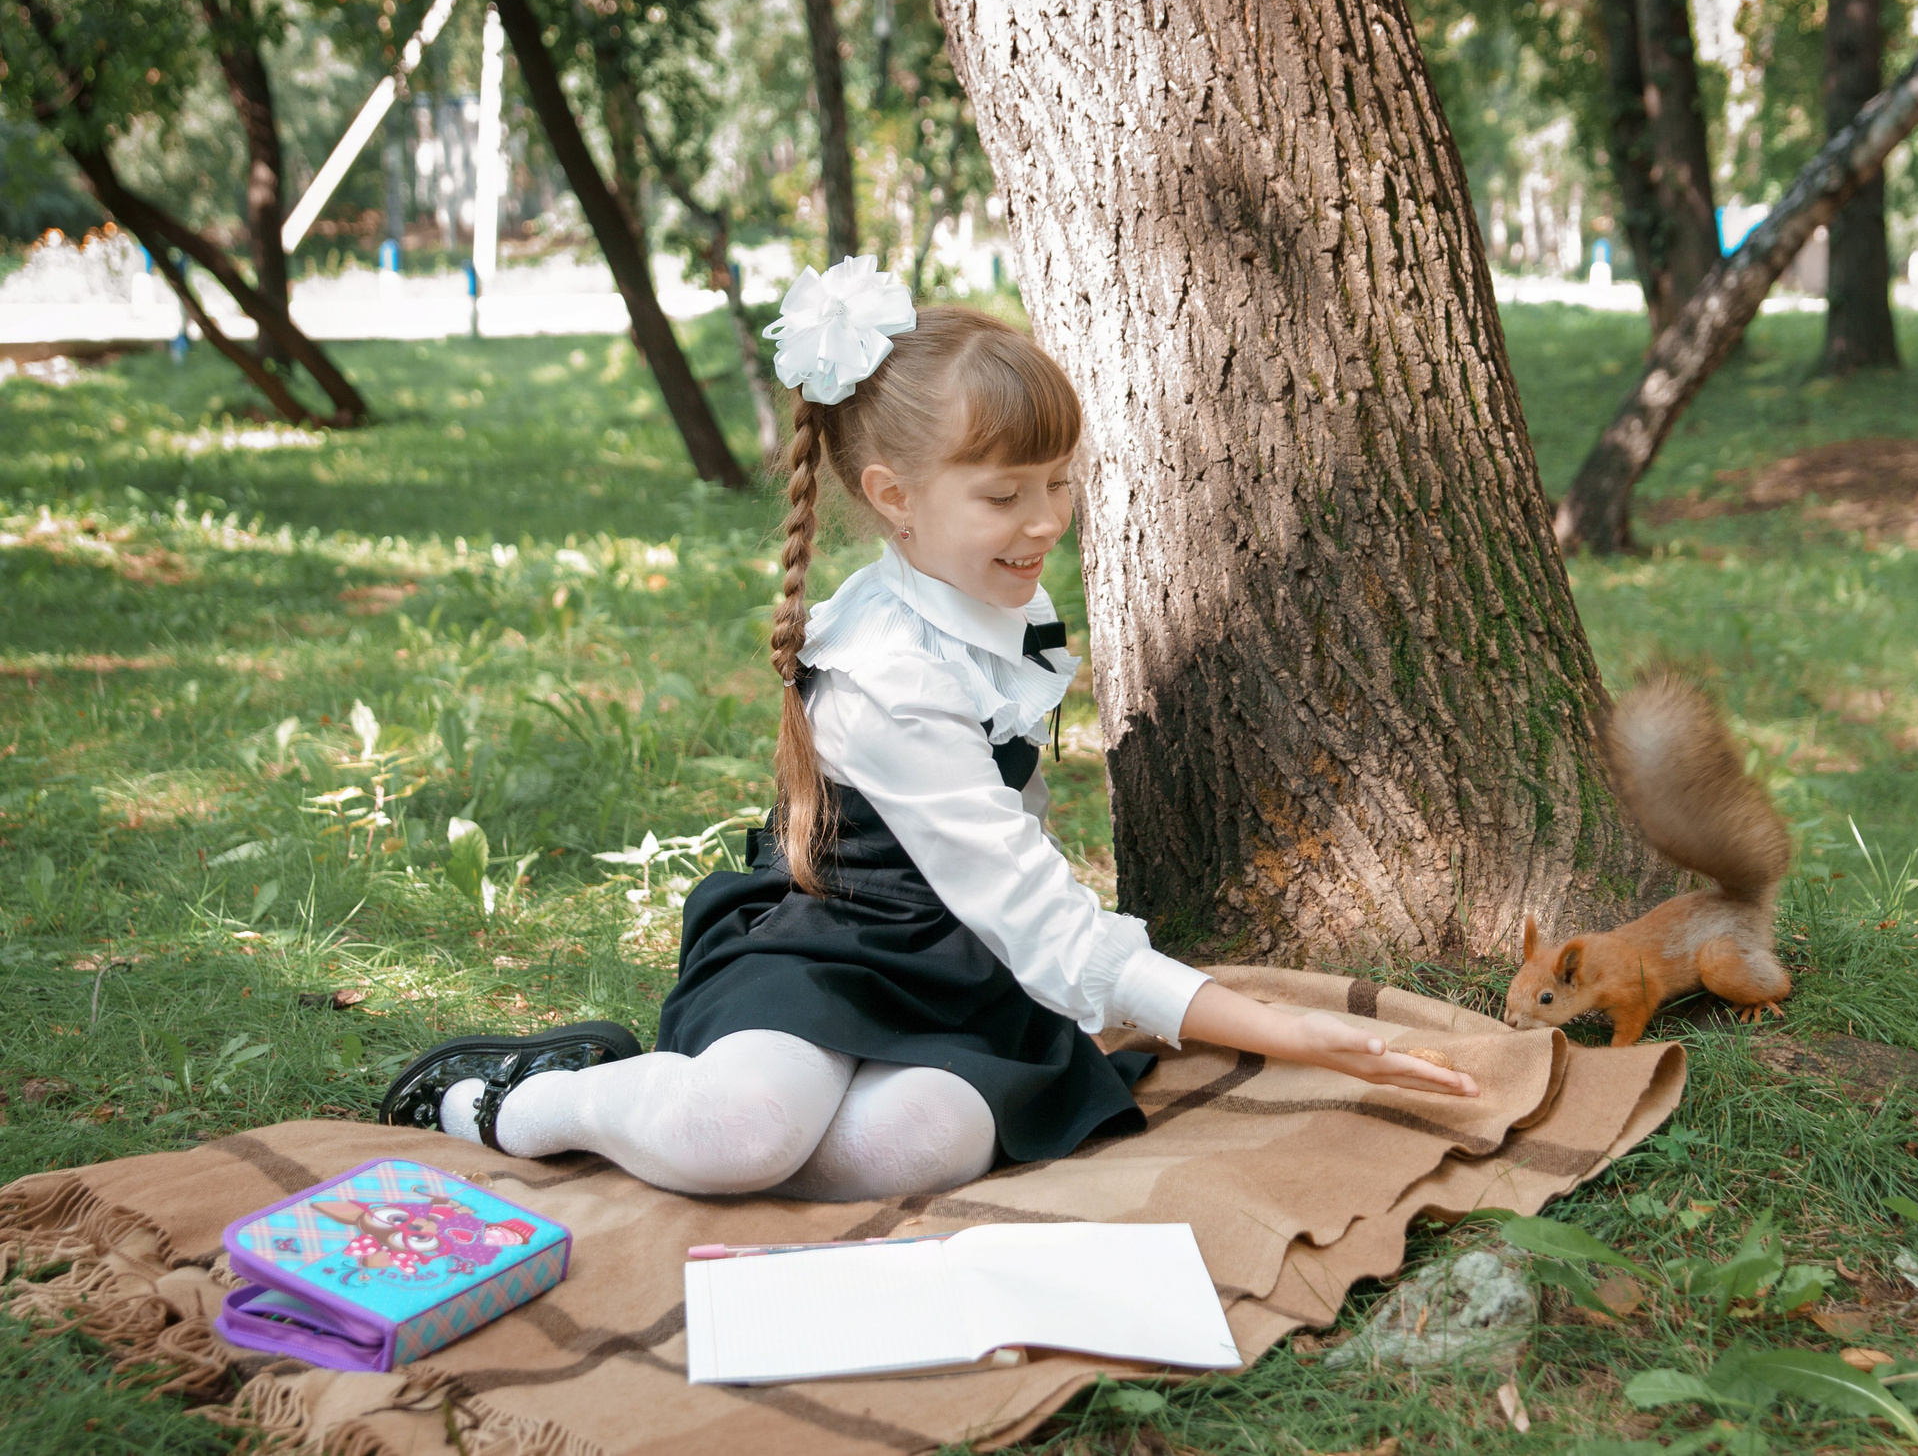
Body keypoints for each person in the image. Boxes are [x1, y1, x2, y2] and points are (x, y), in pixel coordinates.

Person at [379, 257, 1476, 1201]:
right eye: (1005, 495)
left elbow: (1010, 850)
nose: (1046, 520)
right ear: (894, 496)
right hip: (824, 944)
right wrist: (1283, 1030)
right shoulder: (886, 673)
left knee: (928, 1142)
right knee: (744, 1134)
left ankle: (751, 1104)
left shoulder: (998, 600)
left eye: (1058, 482)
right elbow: (1034, 909)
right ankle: (526, 1098)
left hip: (957, 953)